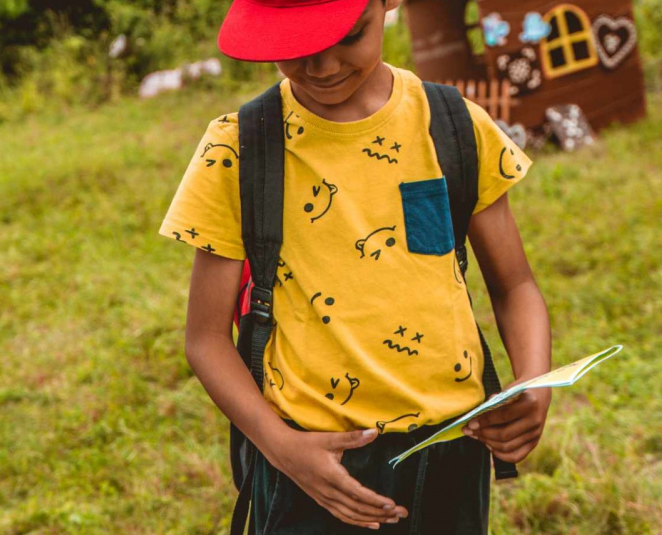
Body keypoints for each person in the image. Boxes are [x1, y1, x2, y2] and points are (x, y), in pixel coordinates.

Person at [160, 0, 552, 533]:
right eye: (295, 45)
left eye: (348, 35)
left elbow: (515, 285)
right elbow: (205, 339)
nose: (322, 66)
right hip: (313, 463)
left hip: (453, 448)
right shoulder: (239, 148)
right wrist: (282, 448)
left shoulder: (454, 124)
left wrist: (534, 379)